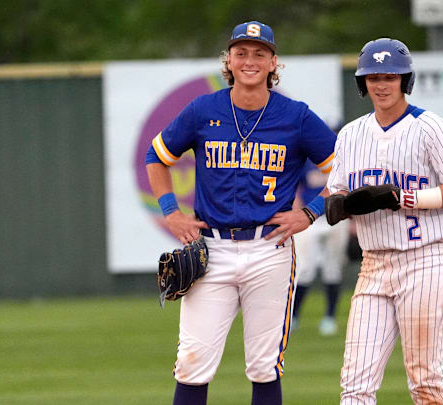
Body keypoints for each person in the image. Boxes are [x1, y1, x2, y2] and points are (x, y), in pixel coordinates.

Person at [145, 21, 336, 405]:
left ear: (273, 62)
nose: (250, 60)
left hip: (270, 249)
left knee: (265, 366)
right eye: (241, 52)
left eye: (259, 53)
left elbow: (346, 168)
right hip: (211, 250)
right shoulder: (204, 109)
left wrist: (312, 212)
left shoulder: (295, 116)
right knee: (192, 364)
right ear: (228, 61)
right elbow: (157, 156)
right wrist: (171, 211)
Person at [326, 38, 443, 404]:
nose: (381, 84)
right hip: (374, 265)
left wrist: (403, 198)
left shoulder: (431, 128)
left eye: (390, 77)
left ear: (404, 80)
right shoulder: (350, 134)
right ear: (362, 83)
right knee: (355, 385)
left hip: (425, 260)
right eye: (373, 77)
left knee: (425, 380)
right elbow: (336, 195)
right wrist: (342, 206)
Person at [291, 160, 350, 336]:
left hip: (336, 216)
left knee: (333, 268)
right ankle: (294, 316)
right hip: (309, 218)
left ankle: (330, 317)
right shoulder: (306, 157)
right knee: (304, 269)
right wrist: (298, 212)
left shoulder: (340, 155)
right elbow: (294, 185)